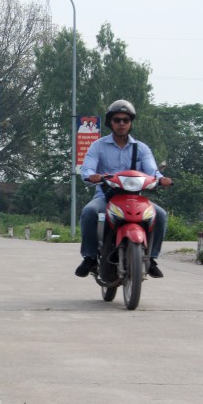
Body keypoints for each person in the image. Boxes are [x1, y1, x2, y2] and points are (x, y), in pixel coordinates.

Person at [75, 99, 173, 279]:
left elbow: (152, 170)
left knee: (160, 215)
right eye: (117, 120)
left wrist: (161, 179)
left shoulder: (141, 148)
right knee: (89, 212)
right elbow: (88, 167)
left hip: (136, 197)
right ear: (110, 123)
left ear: (130, 123)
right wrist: (91, 175)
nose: (121, 123)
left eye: (125, 120)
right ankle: (89, 258)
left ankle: (151, 258)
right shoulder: (98, 146)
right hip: (106, 196)